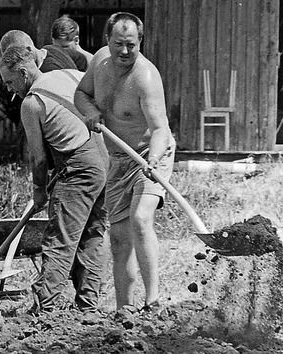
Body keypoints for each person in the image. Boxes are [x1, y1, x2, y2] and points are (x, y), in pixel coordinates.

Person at [74, 12, 175, 313]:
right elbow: (81, 94)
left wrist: (154, 161)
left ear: (140, 42)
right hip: (118, 159)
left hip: (150, 154)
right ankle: (124, 309)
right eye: (119, 43)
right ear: (108, 41)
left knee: (141, 219)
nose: (125, 51)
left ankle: (153, 300)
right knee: (118, 238)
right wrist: (89, 111)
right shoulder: (99, 63)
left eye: (132, 44)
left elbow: (160, 129)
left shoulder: (145, 77)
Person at [0, 45, 107, 313]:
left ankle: (45, 309)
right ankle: (87, 307)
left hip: (79, 167)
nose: (11, 89)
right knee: (92, 235)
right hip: (103, 160)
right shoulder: (68, 74)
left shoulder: (32, 103)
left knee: (60, 238)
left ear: (24, 72)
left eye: (11, 82)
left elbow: (38, 158)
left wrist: (38, 191)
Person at [0, 29, 78, 72]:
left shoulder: (45, 73)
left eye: (17, 59)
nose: (16, 65)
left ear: (28, 50)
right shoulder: (52, 48)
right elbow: (82, 59)